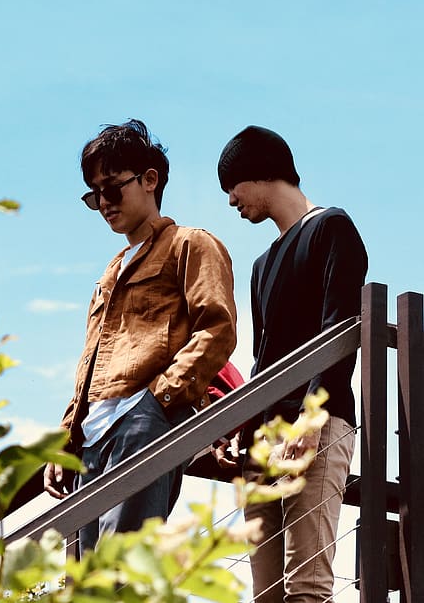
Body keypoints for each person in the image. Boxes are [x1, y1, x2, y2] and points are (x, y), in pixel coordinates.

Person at [43, 120, 237, 552]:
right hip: (89, 441)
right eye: (94, 196)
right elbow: (91, 367)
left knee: (117, 578)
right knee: (84, 587)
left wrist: (157, 401)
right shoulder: (110, 272)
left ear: (150, 180)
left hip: (142, 423)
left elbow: (217, 328)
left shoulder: (190, 244)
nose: (104, 204)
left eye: (112, 189)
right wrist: (63, 440)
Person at [213, 125, 368, 602]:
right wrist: (240, 426)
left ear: (258, 173)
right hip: (264, 442)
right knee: (267, 594)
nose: (232, 201)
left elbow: (340, 330)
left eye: (232, 188)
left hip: (317, 424)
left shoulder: (332, 227)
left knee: (307, 586)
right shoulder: (261, 265)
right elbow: (263, 362)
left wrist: (311, 420)